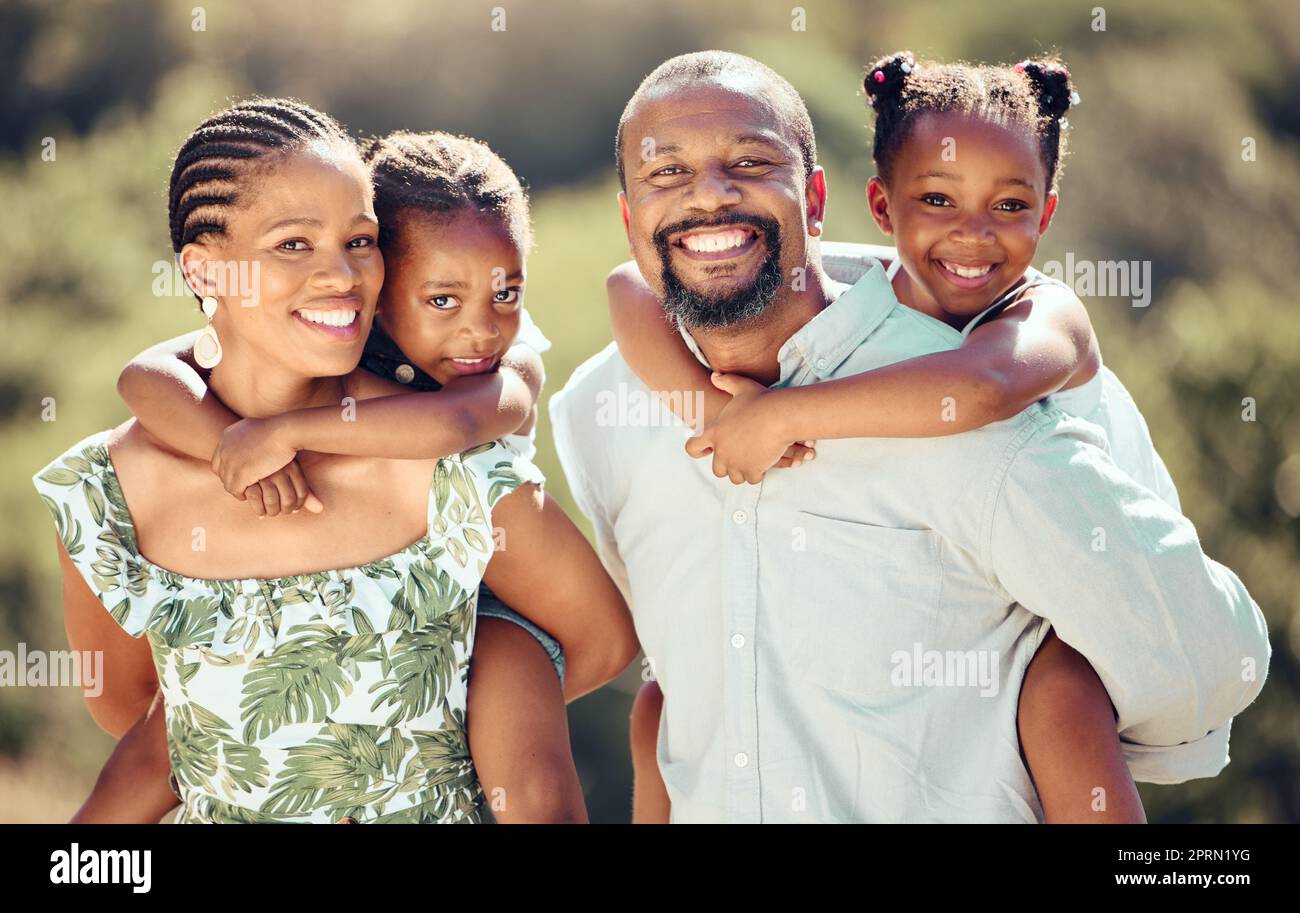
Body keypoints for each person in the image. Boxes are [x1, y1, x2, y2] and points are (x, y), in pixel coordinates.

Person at [549, 51, 1270, 823]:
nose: (711, 194)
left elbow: (1213, 661)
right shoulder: (603, 410)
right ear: (630, 220)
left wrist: (1062, 697)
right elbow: (669, 694)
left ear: (815, 199)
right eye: (667, 175)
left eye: (751, 161)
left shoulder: (976, 419)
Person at [33, 98, 638, 823]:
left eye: (360, 240)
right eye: (294, 244)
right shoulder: (106, 496)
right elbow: (138, 715)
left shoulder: (453, 465)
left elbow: (601, 641)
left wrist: (456, 696)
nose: (343, 276)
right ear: (204, 269)